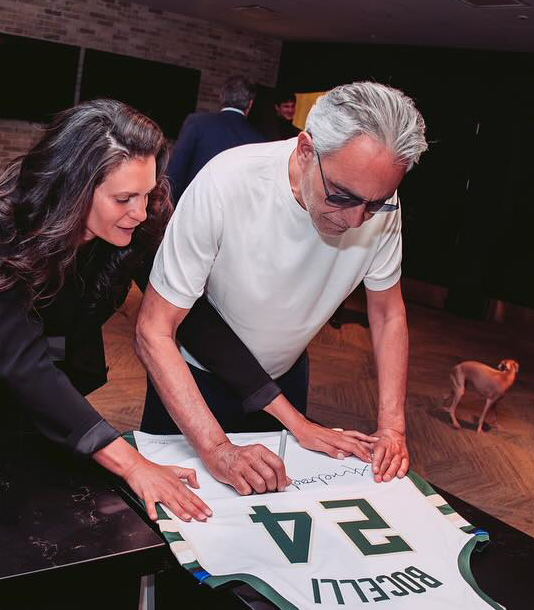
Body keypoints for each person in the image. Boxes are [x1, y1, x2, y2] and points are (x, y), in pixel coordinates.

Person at [136, 81, 428, 490]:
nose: (355, 220)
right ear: (306, 150)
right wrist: (216, 448)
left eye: (375, 203)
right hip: (194, 380)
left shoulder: (379, 206)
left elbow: (387, 313)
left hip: (285, 379)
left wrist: (392, 427)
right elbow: (154, 329)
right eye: (341, 196)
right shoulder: (226, 181)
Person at [0, 98, 252, 523]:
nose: (140, 211)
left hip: (54, 393)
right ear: (73, 188)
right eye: (123, 199)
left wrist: (279, 405)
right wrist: (132, 464)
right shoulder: (8, 228)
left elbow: (188, 315)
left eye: (147, 193)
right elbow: (24, 363)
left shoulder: (139, 220)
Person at [166, 76, 264, 205]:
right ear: (250, 104)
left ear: (221, 97)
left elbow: (176, 170)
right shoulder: (258, 141)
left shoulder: (197, 122)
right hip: (230, 212)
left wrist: (170, 206)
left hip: (192, 205)